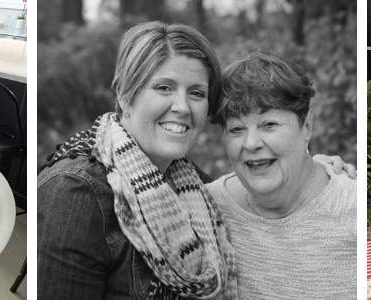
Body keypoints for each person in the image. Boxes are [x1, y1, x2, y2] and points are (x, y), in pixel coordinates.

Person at [37, 22, 354, 299]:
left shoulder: (190, 186)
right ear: (124, 95)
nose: (182, 107)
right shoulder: (76, 193)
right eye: (164, 87)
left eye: (197, 93)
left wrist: (313, 166)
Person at [205, 51, 356, 299]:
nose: (251, 143)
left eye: (269, 125)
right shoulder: (204, 210)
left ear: (306, 127)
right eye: (236, 128)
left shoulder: (354, 205)